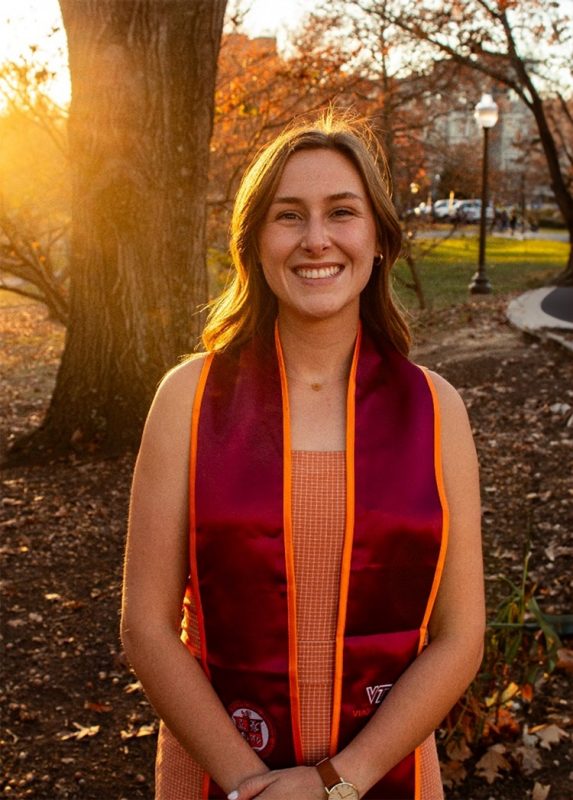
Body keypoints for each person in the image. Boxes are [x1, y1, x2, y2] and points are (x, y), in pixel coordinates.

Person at [121, 112, 485, 800]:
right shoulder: (187, 400)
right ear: (255, 242)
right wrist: (252, 786)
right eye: (288, 216)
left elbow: (459, 637)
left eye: (341, 213)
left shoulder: (435, 411)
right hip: (218, 776)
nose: (316, 239)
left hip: (385, 777)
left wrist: (335, 785)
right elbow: (145, 627)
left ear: (376, 238)